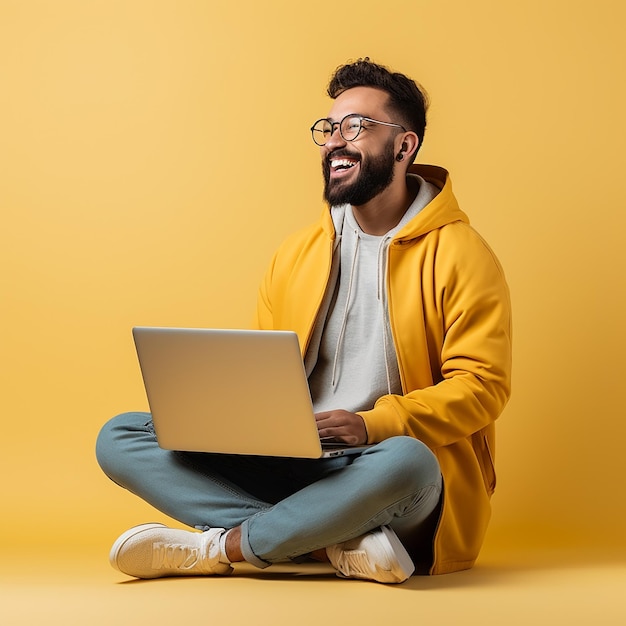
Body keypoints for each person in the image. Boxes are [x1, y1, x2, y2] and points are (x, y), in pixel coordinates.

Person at [96, 58, 512, 584]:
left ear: (404, 147)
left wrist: (370, 424)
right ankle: (335, 542)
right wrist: (236, 419)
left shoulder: (462, 254)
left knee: (410, 461)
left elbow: (482, 387)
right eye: (328, 128)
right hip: (295, 465)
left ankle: (223, 547)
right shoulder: (296, 254)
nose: (334, 141)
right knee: (121, 435)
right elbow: (259, 376)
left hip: (382, 474)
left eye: (356, 127)